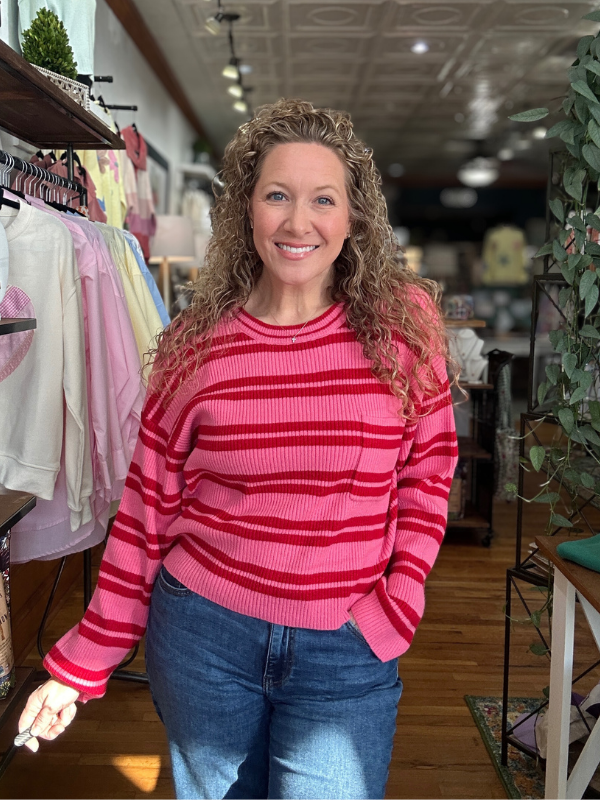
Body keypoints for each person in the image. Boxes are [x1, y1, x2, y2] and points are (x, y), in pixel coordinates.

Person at [19, 98, 458, 800]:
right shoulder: (196, 344)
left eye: (323, 199)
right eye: (276, 195)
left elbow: (430, 471)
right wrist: (84, 662)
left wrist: (398, 600)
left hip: (345, 649)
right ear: (247, 209)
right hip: (203, 639)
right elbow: (143, 513)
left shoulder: (402, 327)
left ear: (354, 218)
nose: (297, 221)